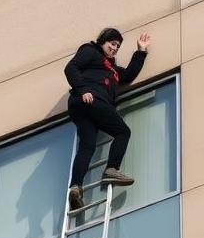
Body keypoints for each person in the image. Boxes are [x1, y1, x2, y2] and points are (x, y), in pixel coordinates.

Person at [63, 27, 151, 211]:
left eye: (117, 46)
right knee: (122, 131)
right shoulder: (90, 51)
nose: (115, 48)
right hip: (90, 98)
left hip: (83, 106)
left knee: (87, 146)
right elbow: (70, 68)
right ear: (103, 41)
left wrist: (141, 51)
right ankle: (111, 169)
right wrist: (83, 90)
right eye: (112, 44)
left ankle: (75, 188)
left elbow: (127, 75)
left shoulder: (112, 69)